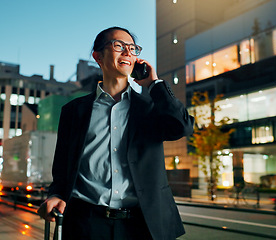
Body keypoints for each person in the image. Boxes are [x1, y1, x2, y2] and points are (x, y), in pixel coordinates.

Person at [37, 26, 194, 240]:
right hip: (86, 223)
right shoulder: (74, 111)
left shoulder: (150, 107)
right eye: (119, 46)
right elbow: (63, 166)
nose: (128, 53)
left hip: (141, 225)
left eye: (132, 48)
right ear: (98, 56)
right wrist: (55, 195)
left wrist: (154, 84)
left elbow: (183, 127)